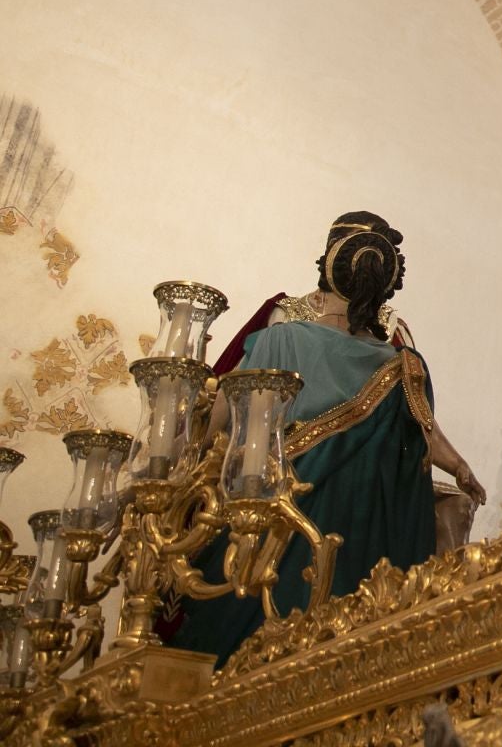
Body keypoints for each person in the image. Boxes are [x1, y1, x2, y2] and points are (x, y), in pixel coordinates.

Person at [173, 214, 484, 665]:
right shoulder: (402, 362)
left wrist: (174, 466)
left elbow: (215, 423)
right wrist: (459, 467)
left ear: (328, 270)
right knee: (343, 635)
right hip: (362, 525)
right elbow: (426, 430)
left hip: (287, 511)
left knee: (261, 629)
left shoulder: (281, 338)